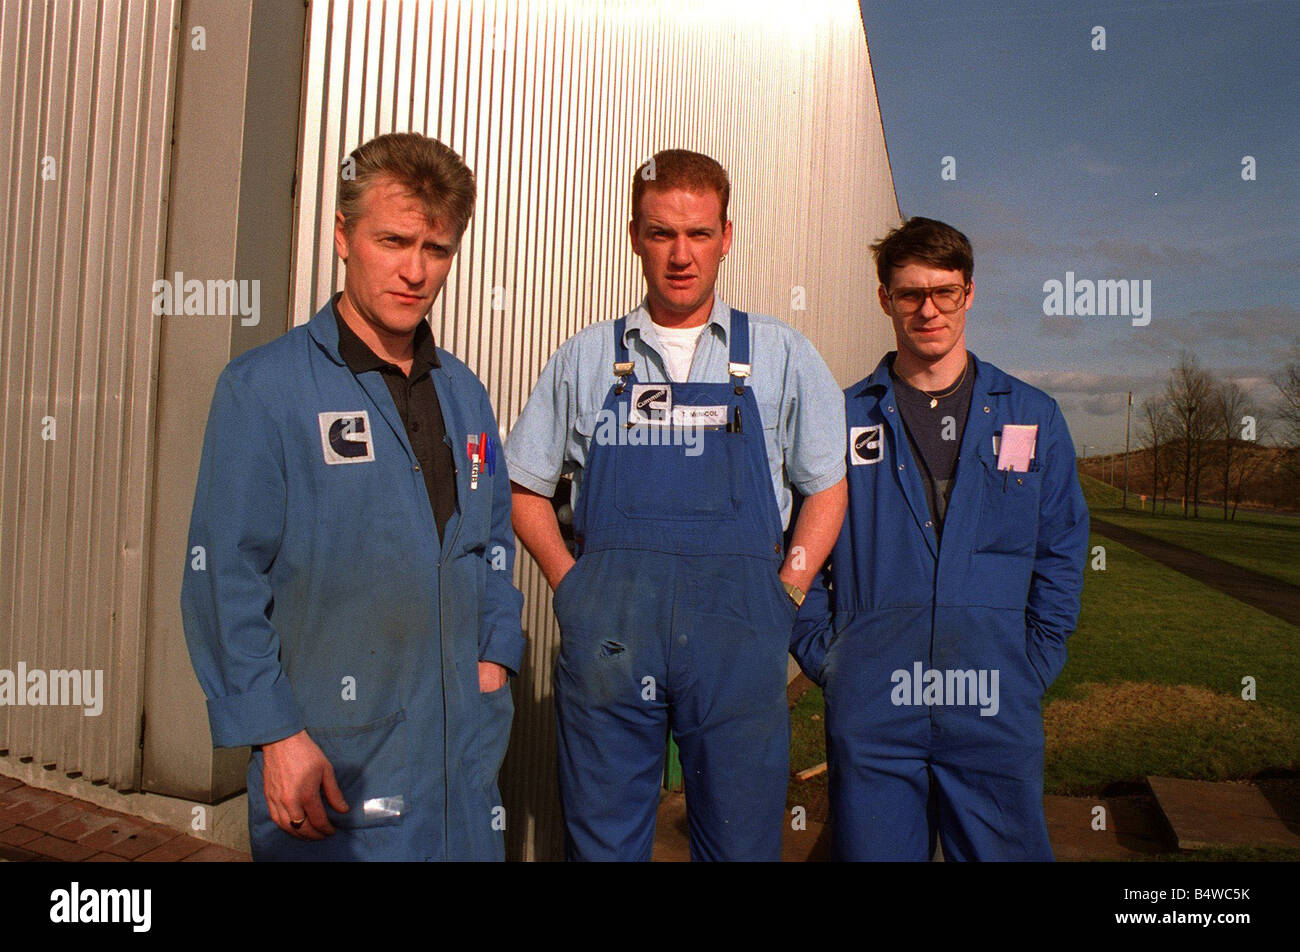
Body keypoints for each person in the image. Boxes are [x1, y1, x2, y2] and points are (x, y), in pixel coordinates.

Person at [181, 132, 524, 861]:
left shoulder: (465, 395)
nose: (415, 271)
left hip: (461, 768)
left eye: (436, 250)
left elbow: (492, 538)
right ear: (342, 235)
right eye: (393, 241)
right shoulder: (264, 391)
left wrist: (496, 652)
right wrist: (274, 732)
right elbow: (225, 577)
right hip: (335, 772)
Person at [506, 149, 847, 861]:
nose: (681, 255)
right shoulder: (588, 359)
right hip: (611, 643)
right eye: (662, 234)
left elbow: (828, 485)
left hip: (739, 641)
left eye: (698, 234)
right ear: (635, 236)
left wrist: (787, 591)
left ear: (727, 235)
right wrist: (574, 587)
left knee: (742, 842)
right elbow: (524, 487)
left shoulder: (782, 356)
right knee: (602, 843)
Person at [792, 217, 1089, 861]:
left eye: (944, 292)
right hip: (874, 704)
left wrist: (1031, 664)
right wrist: (829, 657)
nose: (928, 310)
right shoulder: (839, 419)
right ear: (884, 299)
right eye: (910, 294)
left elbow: (1061, 551)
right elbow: (798, 551)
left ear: (970, 293)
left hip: (995, 699)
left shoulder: (1031, 415)